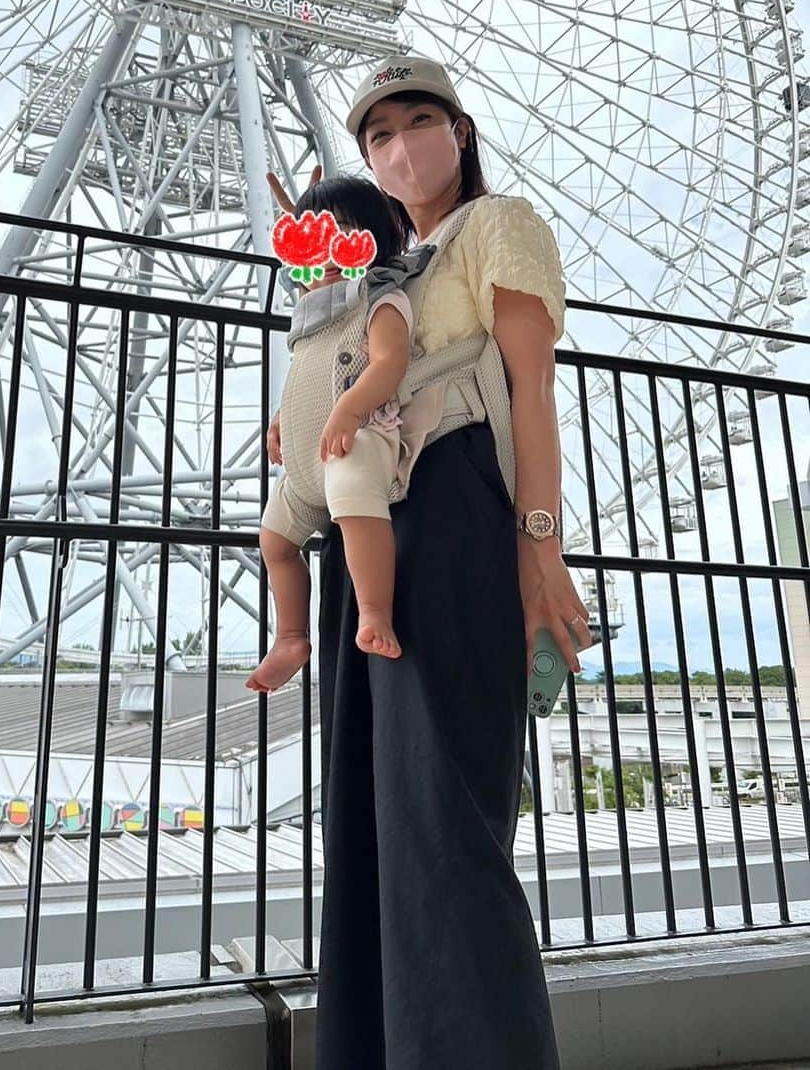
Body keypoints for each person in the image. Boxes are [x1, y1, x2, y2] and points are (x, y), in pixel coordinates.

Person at [263, 54, 593, 1069]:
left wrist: (540, 553)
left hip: (455, 516)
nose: (399, 146)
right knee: (368, 827)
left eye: (418, 121)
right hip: (371, 535)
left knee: (444, 829)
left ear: (460, 131)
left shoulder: (497, 227)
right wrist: (306, 230)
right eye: (376, 135)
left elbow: (529, 393)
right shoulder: (380, 275)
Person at [248, 176, 415, 695]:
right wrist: (279, 423)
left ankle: (373, 611)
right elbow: (302, 382)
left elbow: (389, 362)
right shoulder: (311, 320)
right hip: (305, 463)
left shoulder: (380, 303)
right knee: (274, 542)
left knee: (354, 502)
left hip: (360, 440)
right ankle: (291, 636)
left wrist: (349, 409)